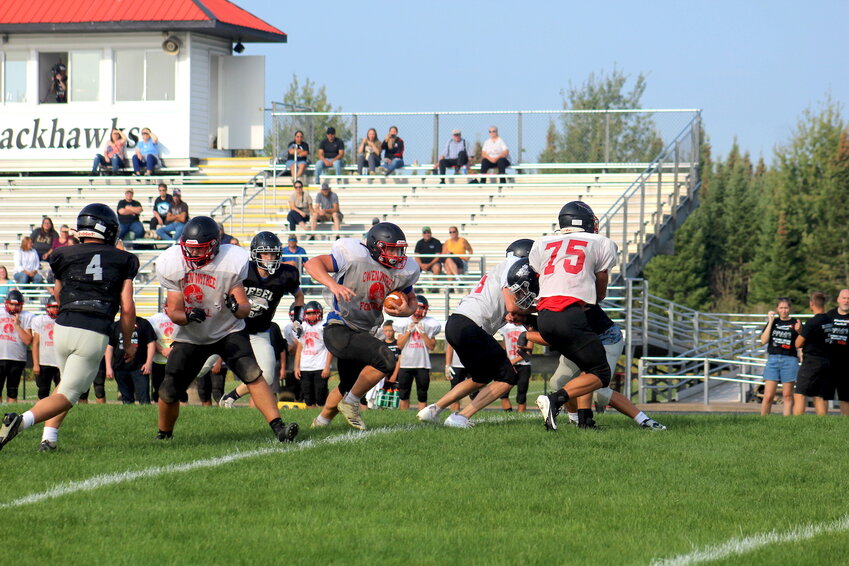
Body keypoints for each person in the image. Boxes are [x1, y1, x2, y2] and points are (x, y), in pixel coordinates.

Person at [0, 203, 139, 452]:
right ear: (107, 230)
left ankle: (49, 439)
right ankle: (20, 422)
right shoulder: (124, 259)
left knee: (64, 386)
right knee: (70, 393)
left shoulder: (62, 254)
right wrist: (127, 343)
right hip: (94, 329)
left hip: (62, 327)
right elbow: (127, 308)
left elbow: (58, 292)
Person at [154, 217, 298, 442]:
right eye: (189, 250)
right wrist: (187, 316)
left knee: (253, 374)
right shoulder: (173, 263)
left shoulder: (231, 260)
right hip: (191, 335)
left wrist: (236, 306)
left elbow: (244, 308)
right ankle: (164, 435)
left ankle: (279, 427)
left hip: (227, 330)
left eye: (198, 250)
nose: (192, 255)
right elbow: (174, 311)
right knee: (169, 388)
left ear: (213, 247)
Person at [304, 221, 420, 430]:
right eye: (391, 249)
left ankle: (320, 424)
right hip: (340, 326)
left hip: (364, 331)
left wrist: (406, 310)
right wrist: (333, 284)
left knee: (347, 385)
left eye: (399, 249)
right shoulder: (355, 255)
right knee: (386, 359)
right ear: (375, 247)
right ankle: (351, 403)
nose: (396, 255)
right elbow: (312, 264)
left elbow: (412, 301)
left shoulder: (403, 270)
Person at [416, 241, 537, 428]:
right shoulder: (512, 268)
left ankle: (433, 409)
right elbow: (513, 306)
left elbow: (509, 310)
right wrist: (540, 310)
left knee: (481, 377)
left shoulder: (499, 270)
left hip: (457, 322)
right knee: (507, 378)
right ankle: (461, 417)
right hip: (472, 325)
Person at [530, 201, 618, 431]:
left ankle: (585, 421)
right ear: (584, 221)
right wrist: (595, 298)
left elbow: (542, 276)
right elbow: (601, 279)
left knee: (586, 365)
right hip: (570, 313)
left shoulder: (543, 242)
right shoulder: (600, 242)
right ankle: (555, 400)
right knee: (600, 373)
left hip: (544, 315)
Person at [542, 304, 667, 429]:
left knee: (600, 392)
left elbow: (552, 338)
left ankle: (645, 421)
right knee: (558, 383)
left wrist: (525, 336)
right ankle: (575, 420)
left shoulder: (569, 300)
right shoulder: (543, 302)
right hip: (579, 341)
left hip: (605, 339)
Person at [219, 231, 304, 408]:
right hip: (230, 327)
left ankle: (230, 397)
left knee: (266, 375)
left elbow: (299, 297)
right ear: (256, 254)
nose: (270, 257)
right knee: (203, 365)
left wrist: (298, 320)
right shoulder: (244, 269)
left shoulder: (285, 274)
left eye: (273, 253)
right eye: (265, 253)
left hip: (259, 330)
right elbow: (222, 291)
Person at [394, 296, 441, 411]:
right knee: (404, 394)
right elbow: (399, 345)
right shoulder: (404, 322)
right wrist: (409, 331)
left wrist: (422, 333)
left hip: (422, 364)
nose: (419, 311)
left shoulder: (430, 323)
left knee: (422, 395)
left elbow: (432, 346)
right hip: (406, 364)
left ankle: (422, 417)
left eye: (422, 308)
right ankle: (403, 417)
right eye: (418, 308)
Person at [759, 297, 801, 416]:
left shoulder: (795, 323)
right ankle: (763, 421)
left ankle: (786, 422)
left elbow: (801, 342)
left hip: (789, 360)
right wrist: (771, 321)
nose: (784, 310)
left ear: (790, 309)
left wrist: (799, 331)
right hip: (773, 359)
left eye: (786, 308)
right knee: (768, 395)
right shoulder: (774, 322)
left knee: (787, 395)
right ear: (777, 309)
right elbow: (763, 340)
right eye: (781, 308)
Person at [793, 292, 833, 416]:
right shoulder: (829, 320)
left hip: (811, 362)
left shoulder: (812, 322)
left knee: (800, 393)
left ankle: (796, 425)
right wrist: (803, 331)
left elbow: (798, 344)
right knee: (819, 395)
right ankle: (822, 425)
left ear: (812, 304)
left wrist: (800, 332)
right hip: (826, 361)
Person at [105, 315, 156, 405]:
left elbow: (151, 343)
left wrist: (148, 363)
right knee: (126, 400)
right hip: (120, 367)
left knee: (144, 399)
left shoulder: (143, 324)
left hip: (140, 368)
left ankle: (146, 417)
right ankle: (129, 418)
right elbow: (109, 347)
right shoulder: (115, 326)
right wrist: (108, 367)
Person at [295, 301, 332, 408]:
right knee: (308, 398)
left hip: (320, 365)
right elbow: (299, 348)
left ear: (319, 313)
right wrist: (297, 367)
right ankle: (311, 417)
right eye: (309, 313)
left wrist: (327, 367)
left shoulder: (323, 326)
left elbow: (330, 348)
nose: (311, 316)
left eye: (314, 313)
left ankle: (321, 418)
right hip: (305, 366)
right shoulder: (303, 326)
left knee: (321, 396)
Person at [0, 290, 34, 403]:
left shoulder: (27, 316)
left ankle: (10, 418)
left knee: (12, 392)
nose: (14, 307)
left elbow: (28, 340)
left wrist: (17, 325)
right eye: (12, 304)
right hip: (0, 356)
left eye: (17, 305)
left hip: (17, 358)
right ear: (6, 303)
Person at [499, 319, 531, 412]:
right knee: (503, 393)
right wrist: (506, 362)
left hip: (523, 365)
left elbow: (528, 353)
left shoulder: (527, 327)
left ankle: (520, 417)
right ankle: (508, 416)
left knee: (521, 395)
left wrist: (513, 361)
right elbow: (503, 347)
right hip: (509, 364)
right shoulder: (505, 327)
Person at [32, 297, 60, 400]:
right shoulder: (40, 320)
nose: (55, 309)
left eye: (57, 307)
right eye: (52, 307)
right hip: (45, 362)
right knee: (43, 392)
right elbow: (35, 343)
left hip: (60, 362)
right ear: (47, 308)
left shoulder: (64, 320)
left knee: (60, 392)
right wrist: (36, 364)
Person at [827, 289, 849, 415]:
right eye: (844, 298)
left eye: (848, 299)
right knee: (823, 394)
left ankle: (845, 422)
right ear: (838, 299)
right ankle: (821, 423)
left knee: (845, 396)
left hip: (846, 363)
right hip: (829, 361)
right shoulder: (829, 316)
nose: (846, 301)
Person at [147, 306, 176, 404]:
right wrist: (162, 350)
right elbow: (149, 337)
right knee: (158, 389)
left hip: (176, 359)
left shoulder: (182, 317)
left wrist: (172, 350)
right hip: (158, 360)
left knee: (178, 390)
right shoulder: (154, 319)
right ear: (165, 306)